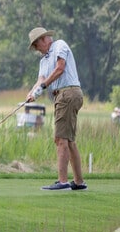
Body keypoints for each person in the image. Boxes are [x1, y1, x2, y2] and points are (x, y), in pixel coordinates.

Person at [26, 27, 87, 191]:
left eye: (36, 45)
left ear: (44, 39)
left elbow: (60, 68)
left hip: (68, 93)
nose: (36, 49)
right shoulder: (43, 60)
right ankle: (79, 182)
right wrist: (32, 93)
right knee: (69, 141)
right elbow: (41, 80)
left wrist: (43, 86)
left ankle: (62, 182)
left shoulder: (59, 45)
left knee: (60, 139)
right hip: (63, 96)